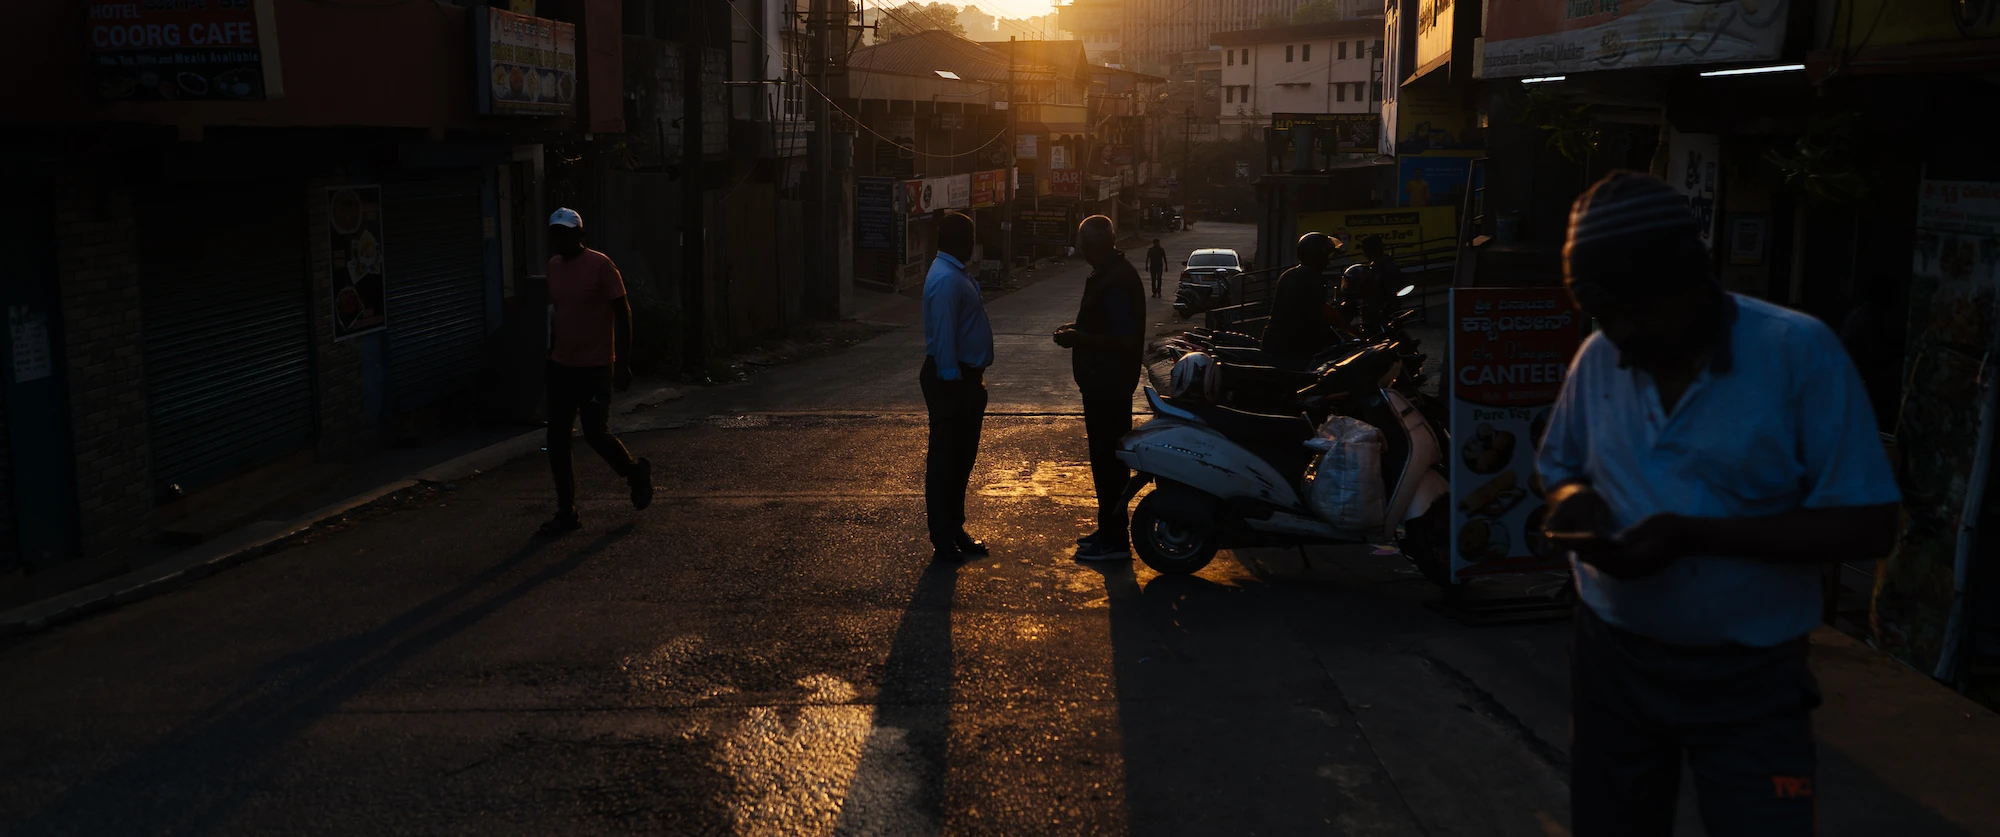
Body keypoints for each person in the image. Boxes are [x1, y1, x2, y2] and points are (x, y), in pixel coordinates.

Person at [1536, 171, 1901, 836]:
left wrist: (1694, 536)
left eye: (1639, 308)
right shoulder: (1599, 357)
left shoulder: (1797, 353)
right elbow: (1560, 464)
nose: (1623, 329)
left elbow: (1871, 522)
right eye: (1603, 311)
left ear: (1694, 277)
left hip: (1752, 680)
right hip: (1611, 662)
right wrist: (1575, 500)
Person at [539, 207, 652, 537]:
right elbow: (558, 314)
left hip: (596, 366)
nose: (560, 238)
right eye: (555, 233)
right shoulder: (553, 268)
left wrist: (624, 363)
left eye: (566, 232)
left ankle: (634, 473)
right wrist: (550, 354)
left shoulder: (602, 265)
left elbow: (623, 313)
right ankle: (566, 511)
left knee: (594, 432)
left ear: (579, 235)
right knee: (557, 438)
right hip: (562, 365)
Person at [1055, 215, 1148, 561]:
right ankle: (1108, 530)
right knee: (1103, 462)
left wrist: (1080, 338)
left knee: (1110, 464)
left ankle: (1115, 541)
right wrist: (1077, 329)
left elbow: (1122, 340)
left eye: (1082, 243)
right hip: (1100, 384)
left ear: (1091, 246)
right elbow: (1104, 324)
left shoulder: (1118, 279)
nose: (1080, 249)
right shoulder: (1106, 274)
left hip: (1111, 386)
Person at [922, 212, 995, 562]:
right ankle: (943, 536)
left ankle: (954, 528)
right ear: (959, 241)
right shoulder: (947, 279)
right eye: (970, 238)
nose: (973, 245)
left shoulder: (955, 274)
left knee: (961, 460)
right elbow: (945, 335)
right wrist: (952, 385)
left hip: (964, 377)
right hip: (951, 378)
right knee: (946, 460)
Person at [1260, 232, 1340, 369]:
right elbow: (1314, 319)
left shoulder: (1294, 274)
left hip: (1280, 343)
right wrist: (1338, 341)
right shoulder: (1309, 279)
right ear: (1316, 255)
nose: (1328, 260)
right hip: (1288, 348)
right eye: (1325, 255)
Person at [1355, 234, 1400, 333]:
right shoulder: (1378, 267)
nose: (1364, 254)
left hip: (1379, 315)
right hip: (1376, 314)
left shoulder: (1386, 268)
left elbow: (1390, 293)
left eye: (1365, 250)